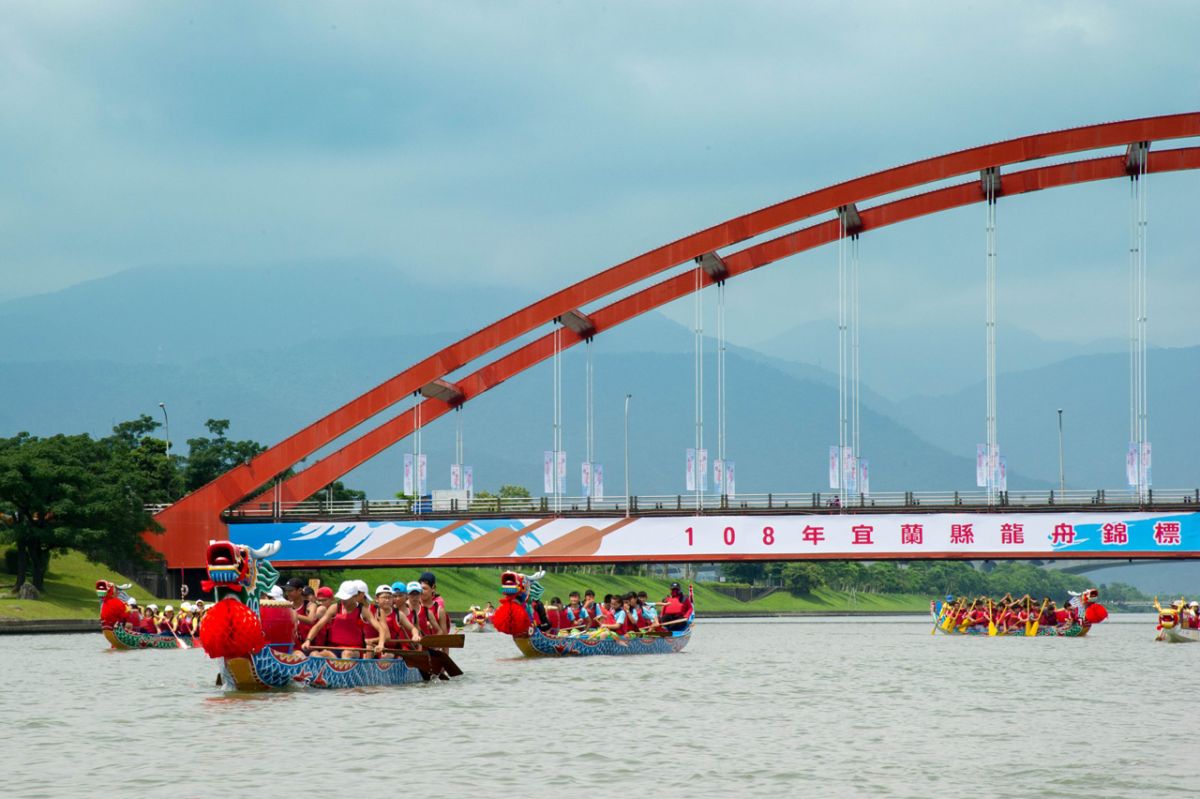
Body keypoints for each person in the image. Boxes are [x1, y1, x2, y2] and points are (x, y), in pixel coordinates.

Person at [302, 580, 387, 659]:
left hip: (355, 650)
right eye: (342, 598)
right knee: (316, 655)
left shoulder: (363, 611)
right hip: (334, 648)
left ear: (355, 596)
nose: (343, 601)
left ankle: (343, 673)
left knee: (346, 654)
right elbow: (318, 626)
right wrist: (308, 640)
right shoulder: (334, 608)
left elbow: (381, 629)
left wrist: (381, 644)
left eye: (346, 598)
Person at [283, 577, 320, 647]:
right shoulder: (287, 605)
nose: (287, 593)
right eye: (286, 591)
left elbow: (311, 620)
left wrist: (292, 614)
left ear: (300, 590)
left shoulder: (310, 605)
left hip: (307, 646)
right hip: (292, 646)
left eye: (290, 590)